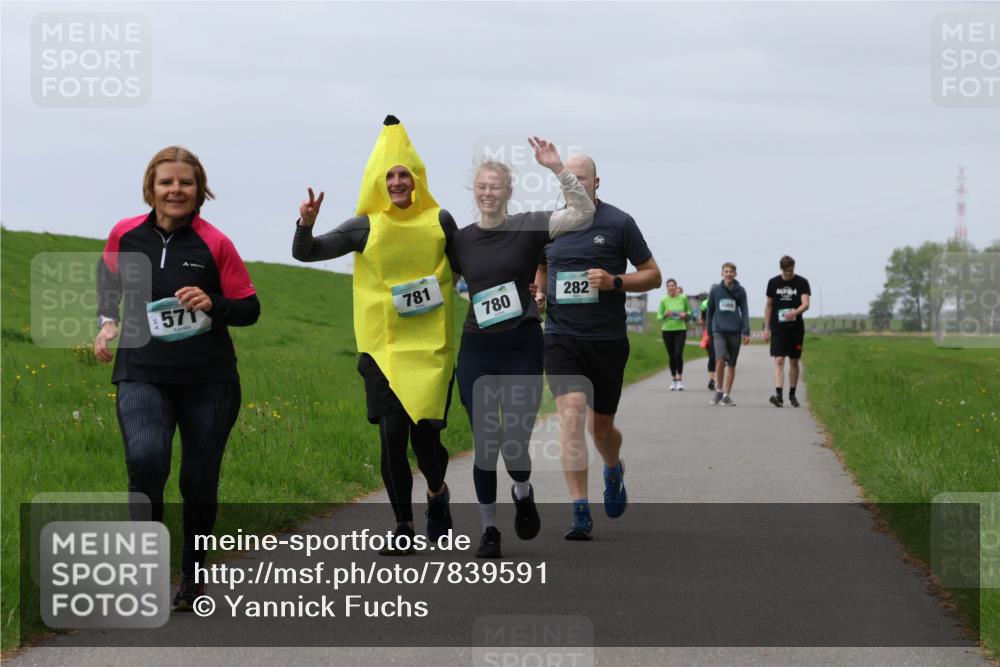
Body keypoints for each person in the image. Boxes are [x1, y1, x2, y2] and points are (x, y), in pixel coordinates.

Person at [94, 146, 261, 610]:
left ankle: (193, 579)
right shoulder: (124, 234)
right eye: (166, 181)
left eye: (185, 182)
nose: (175, 190)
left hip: (208, 380)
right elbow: (107, 280)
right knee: (146, 464)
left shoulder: (215, 243)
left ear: (199, 189)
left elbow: (249, 308)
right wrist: (106, 320)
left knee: (198, 481)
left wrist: (214, 302)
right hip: (141, 372)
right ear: (151, 187)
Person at [292, 116, 455, 554]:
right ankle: (403, 525)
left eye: (404, 174)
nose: (398, 182)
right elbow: (306, 253)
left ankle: (438, 492)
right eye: (390, 176)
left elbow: (470, 267)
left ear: (417, 179)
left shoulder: (441, 221)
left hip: (430, 349)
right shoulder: (363, 226)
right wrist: (305, 223)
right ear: (378, 183)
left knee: (426, 441)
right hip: (382, 348)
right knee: (391, 435)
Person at [452, 139, 594, 558]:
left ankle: (523, 489)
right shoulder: (460, 240)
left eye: (495, 186)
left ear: (508, 191)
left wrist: (556, 169)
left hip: (521, 347)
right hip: (477, 346)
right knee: (484, 441)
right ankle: (489, 529)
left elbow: (583, 213)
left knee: (513, 444)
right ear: (474, 191)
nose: (488, 192)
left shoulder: (529, 225)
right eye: (481, 186)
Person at [534, 154, 661, 540]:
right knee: (571, 413)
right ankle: (578, 509)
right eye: (567, 178)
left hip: (606, 340)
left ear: (596, 182)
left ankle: (613, 467)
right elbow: (541, 266)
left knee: (601, 429)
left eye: (582, 178)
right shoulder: (551, 225)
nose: (574, 183)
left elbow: (654, 275)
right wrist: (540, 290)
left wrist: (614, 282)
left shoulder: (619, 222)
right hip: (560, 336)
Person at [763, 255, 811, 407]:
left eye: (790, 270)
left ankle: (792, 394)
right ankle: (778, 395)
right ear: (781, 269)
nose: (788, 274)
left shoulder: (802, 282)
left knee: (794, 361)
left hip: (796, 328)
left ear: (794, 268)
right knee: (779, 360)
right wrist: (766, 327)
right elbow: (769, 305)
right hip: (778, 328)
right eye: (786, 271)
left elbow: (806, 304)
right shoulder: (773, 282)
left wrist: (795, 313)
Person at [706, 262, 750, 406]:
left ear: (735, 274)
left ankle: (726, 394)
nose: (729, 274)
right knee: (719, 359)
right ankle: (718, 390)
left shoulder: (740, 291)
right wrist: (708, 331)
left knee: (731, 364)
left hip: (735, 331)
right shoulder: (715, 291)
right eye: (726, 271)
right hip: (718, 330)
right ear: (722, 274)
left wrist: (746, 331)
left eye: (731, 271)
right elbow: (710, 312)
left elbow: (744, 311)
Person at [656, 278, 692, 390]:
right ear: (667, 288)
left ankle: (680, 380)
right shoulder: (663, 300)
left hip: (680, 329)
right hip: (667, 330)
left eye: (673, 285)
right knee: (671, 356)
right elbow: (658, 317)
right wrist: (665, 315)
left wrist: (684, 315)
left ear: (676, 287)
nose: (671, 287)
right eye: (669, 286)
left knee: (678, 354)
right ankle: (673, 380)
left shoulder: (683, 298)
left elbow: (689, 313)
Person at [699, 296, 717, 390]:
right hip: (709, 332)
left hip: (720, 332)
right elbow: (702, 318)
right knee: (712, 357)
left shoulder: (720, 301)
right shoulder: (704, 303)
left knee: (717, 358)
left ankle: (716, 380)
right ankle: (712, 380)